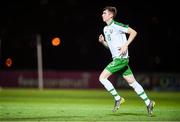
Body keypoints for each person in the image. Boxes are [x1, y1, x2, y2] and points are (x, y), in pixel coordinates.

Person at [98, 6, 155, 116]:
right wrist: (103, 42)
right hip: (119, 59)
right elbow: (111, 47)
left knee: (102, 78)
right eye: (102, 13)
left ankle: (118, 98)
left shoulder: (117, 25)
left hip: (121, 59)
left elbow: (133, 32)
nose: (102, 14)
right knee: (132, 82)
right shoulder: (105, 29)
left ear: (111, 15)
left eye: (104, 13)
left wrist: (125, 45)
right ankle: (149, 103)